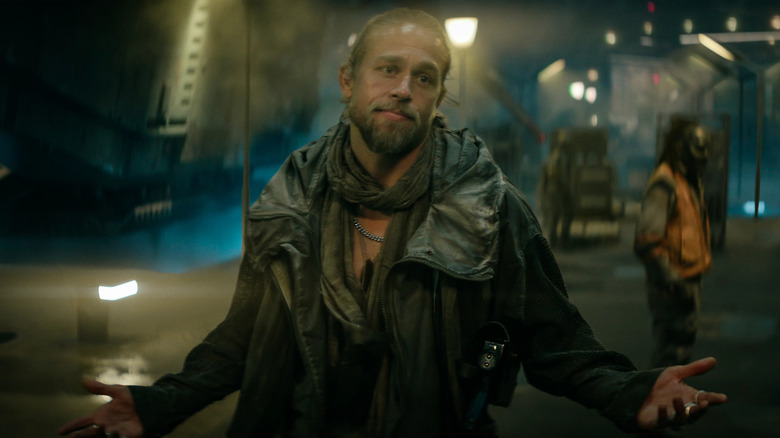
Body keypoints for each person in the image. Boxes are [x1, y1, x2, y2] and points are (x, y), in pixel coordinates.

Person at [60, 8, 726, 438]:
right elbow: (241, 337)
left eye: (424, 77)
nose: (404, 88)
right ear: (349, 82)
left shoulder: (490, 209)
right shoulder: (289, 200)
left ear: (438, 98)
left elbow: (557, 345)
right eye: (388, 70)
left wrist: (632, 392)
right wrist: (159, 405)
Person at [634, 116, 712, 368]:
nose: (703, 159)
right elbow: (646, 242)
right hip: (673, 286)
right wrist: (673, 280)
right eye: (697, 151)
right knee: (670, 356)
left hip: (686, 281)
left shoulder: (687, 181)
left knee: (680, 352)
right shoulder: (666, 183)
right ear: (680, 148)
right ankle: (657, 393)